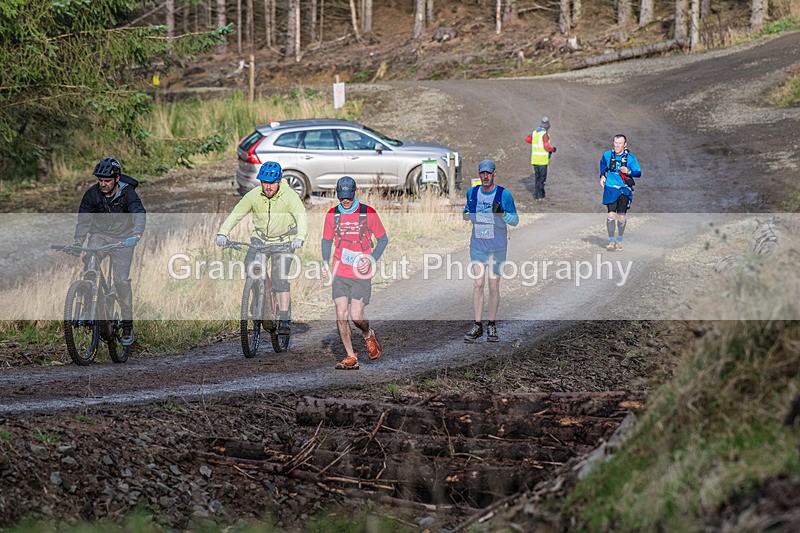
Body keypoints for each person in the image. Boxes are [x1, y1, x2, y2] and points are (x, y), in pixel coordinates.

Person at [216, 161, 308, 334]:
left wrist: (300, 237)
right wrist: (223, 233)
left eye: (272, 183)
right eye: (264, 182)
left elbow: (301, 216)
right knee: (251, 265)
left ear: (279, 181)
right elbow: (236, 214)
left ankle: (284, 317)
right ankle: (257, 296)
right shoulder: (254, 195)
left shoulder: (289, 196)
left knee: (279, 278)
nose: (268, 187)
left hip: (284, 241)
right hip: (260, 240)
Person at [73, 157, 147, 346]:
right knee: (89, 263)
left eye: (107, 181)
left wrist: (136, 235)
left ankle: (127, 324)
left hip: (124, 239)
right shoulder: (91, 194)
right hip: (100, 236)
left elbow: (139, 212)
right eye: (100, 180)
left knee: (120, 280)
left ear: (116, 178)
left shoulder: (127, 192)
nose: (103, 184)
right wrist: (78, 241)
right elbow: (84, 219)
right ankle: (89, 302)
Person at [321, 176, 388, 370]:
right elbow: (326, 241)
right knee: (341, 314)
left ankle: (368, 334)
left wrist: (371, 259)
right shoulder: (332, 215)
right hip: (340, 270)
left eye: (348, 196)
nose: (345, 200)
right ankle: (351, 356)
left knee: (356, 317)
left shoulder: (368, 213)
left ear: (355, 192)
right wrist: (325, 264)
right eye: (342, 197)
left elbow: (383, 240)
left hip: (361, 271)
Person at [462, 159, 519, 342]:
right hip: (478, 246)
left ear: (494, 173)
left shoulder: (504, 194)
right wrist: (465, 214)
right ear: (479, 175)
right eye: (482, 173)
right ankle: (477, 325)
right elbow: (466, 213)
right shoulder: (472, 193)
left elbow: (515, 220)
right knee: (478, 283)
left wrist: (502, 213)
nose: (485, 176)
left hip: (497, 247)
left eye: (488, 173)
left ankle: (491, 324)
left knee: (493, 285)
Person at [600, 134, 642, 251]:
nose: (617, 145)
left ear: (625, 144)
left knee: (621, 217)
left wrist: (628, 171)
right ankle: (611, 241)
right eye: (615, 143)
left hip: (624, 190)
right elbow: (602, 163)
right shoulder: (607, 155)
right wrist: (602, 175)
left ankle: (619, 240)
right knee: (611, 215)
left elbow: (638, 173)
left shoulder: (630, 158)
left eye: (620, 143)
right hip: (610, 188)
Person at [525, 116, 556, 201]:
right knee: (542, 179)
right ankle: (541, 196)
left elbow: (528, 139)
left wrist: (535, 141)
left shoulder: (535, 133)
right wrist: (553, 149)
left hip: (535, 159)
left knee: (537, 177)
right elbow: (546, 147)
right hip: (542, 160)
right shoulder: (545, 134)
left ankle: (536, 195)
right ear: (547, 127)